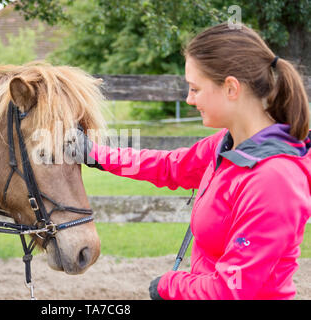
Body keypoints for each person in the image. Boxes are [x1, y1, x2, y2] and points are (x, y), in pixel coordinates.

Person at [65, 22, 311, 299]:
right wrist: (95, 154)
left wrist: (169, 286)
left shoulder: (273, 181)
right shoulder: (227, 145)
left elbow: (231, 290)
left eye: (195, 89)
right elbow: (170, 167)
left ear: (231, 88)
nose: (189, 99)